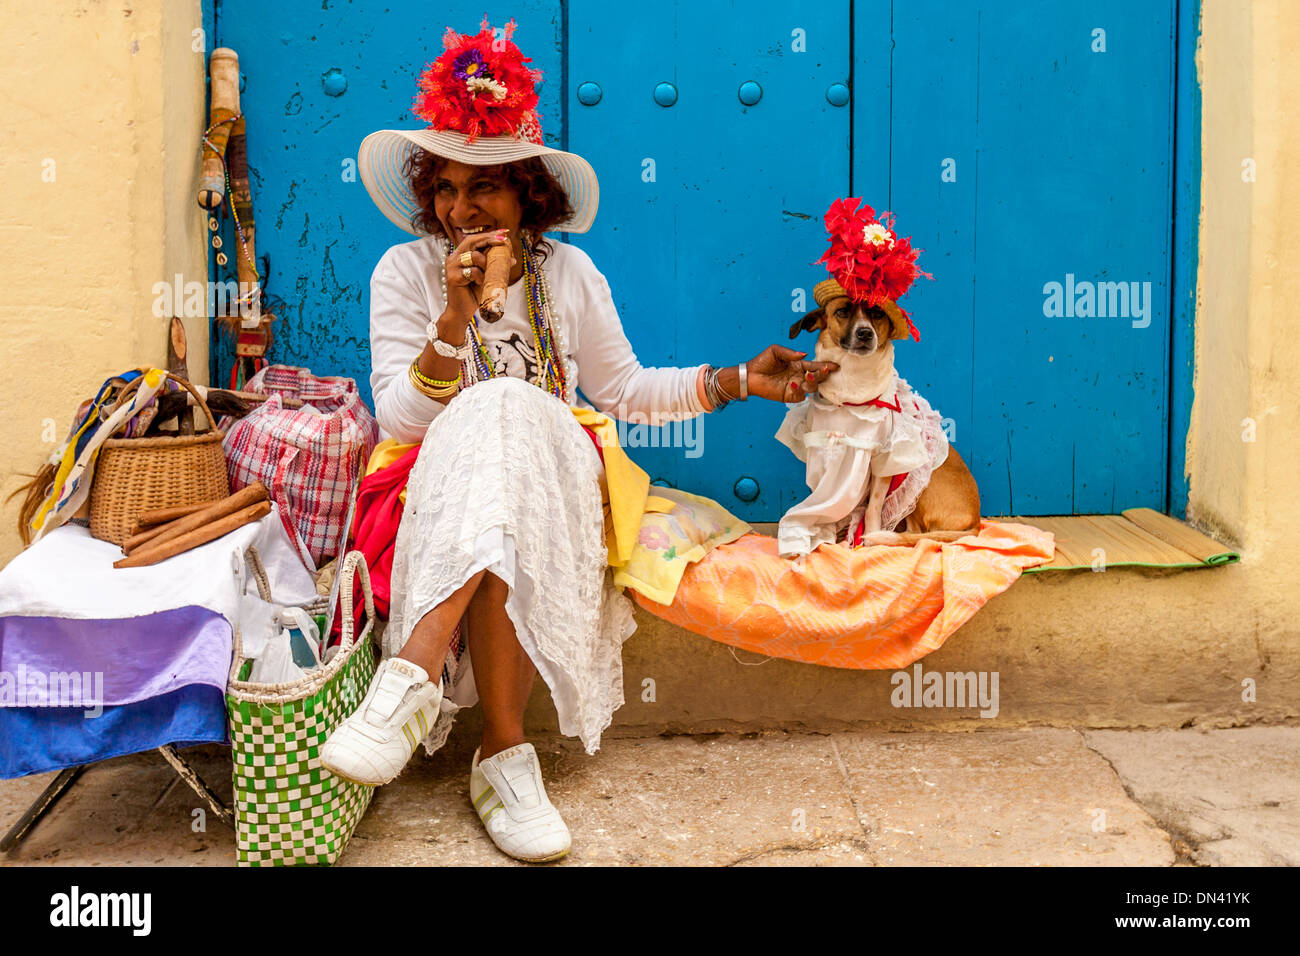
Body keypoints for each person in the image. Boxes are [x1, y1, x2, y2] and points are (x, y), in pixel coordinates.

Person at [320, 18, 835, 863]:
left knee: (518, 412)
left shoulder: (569, 276)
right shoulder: (405, 273)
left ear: (528, 194)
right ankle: (503, 757)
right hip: (436, 483)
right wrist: (454, 317)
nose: (459, 210)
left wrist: (739, 379)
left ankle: (405, 688)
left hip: (555, 476)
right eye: (446, 191)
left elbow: (625, 391)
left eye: (482, 188)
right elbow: (401, 421)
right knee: (494, 421)